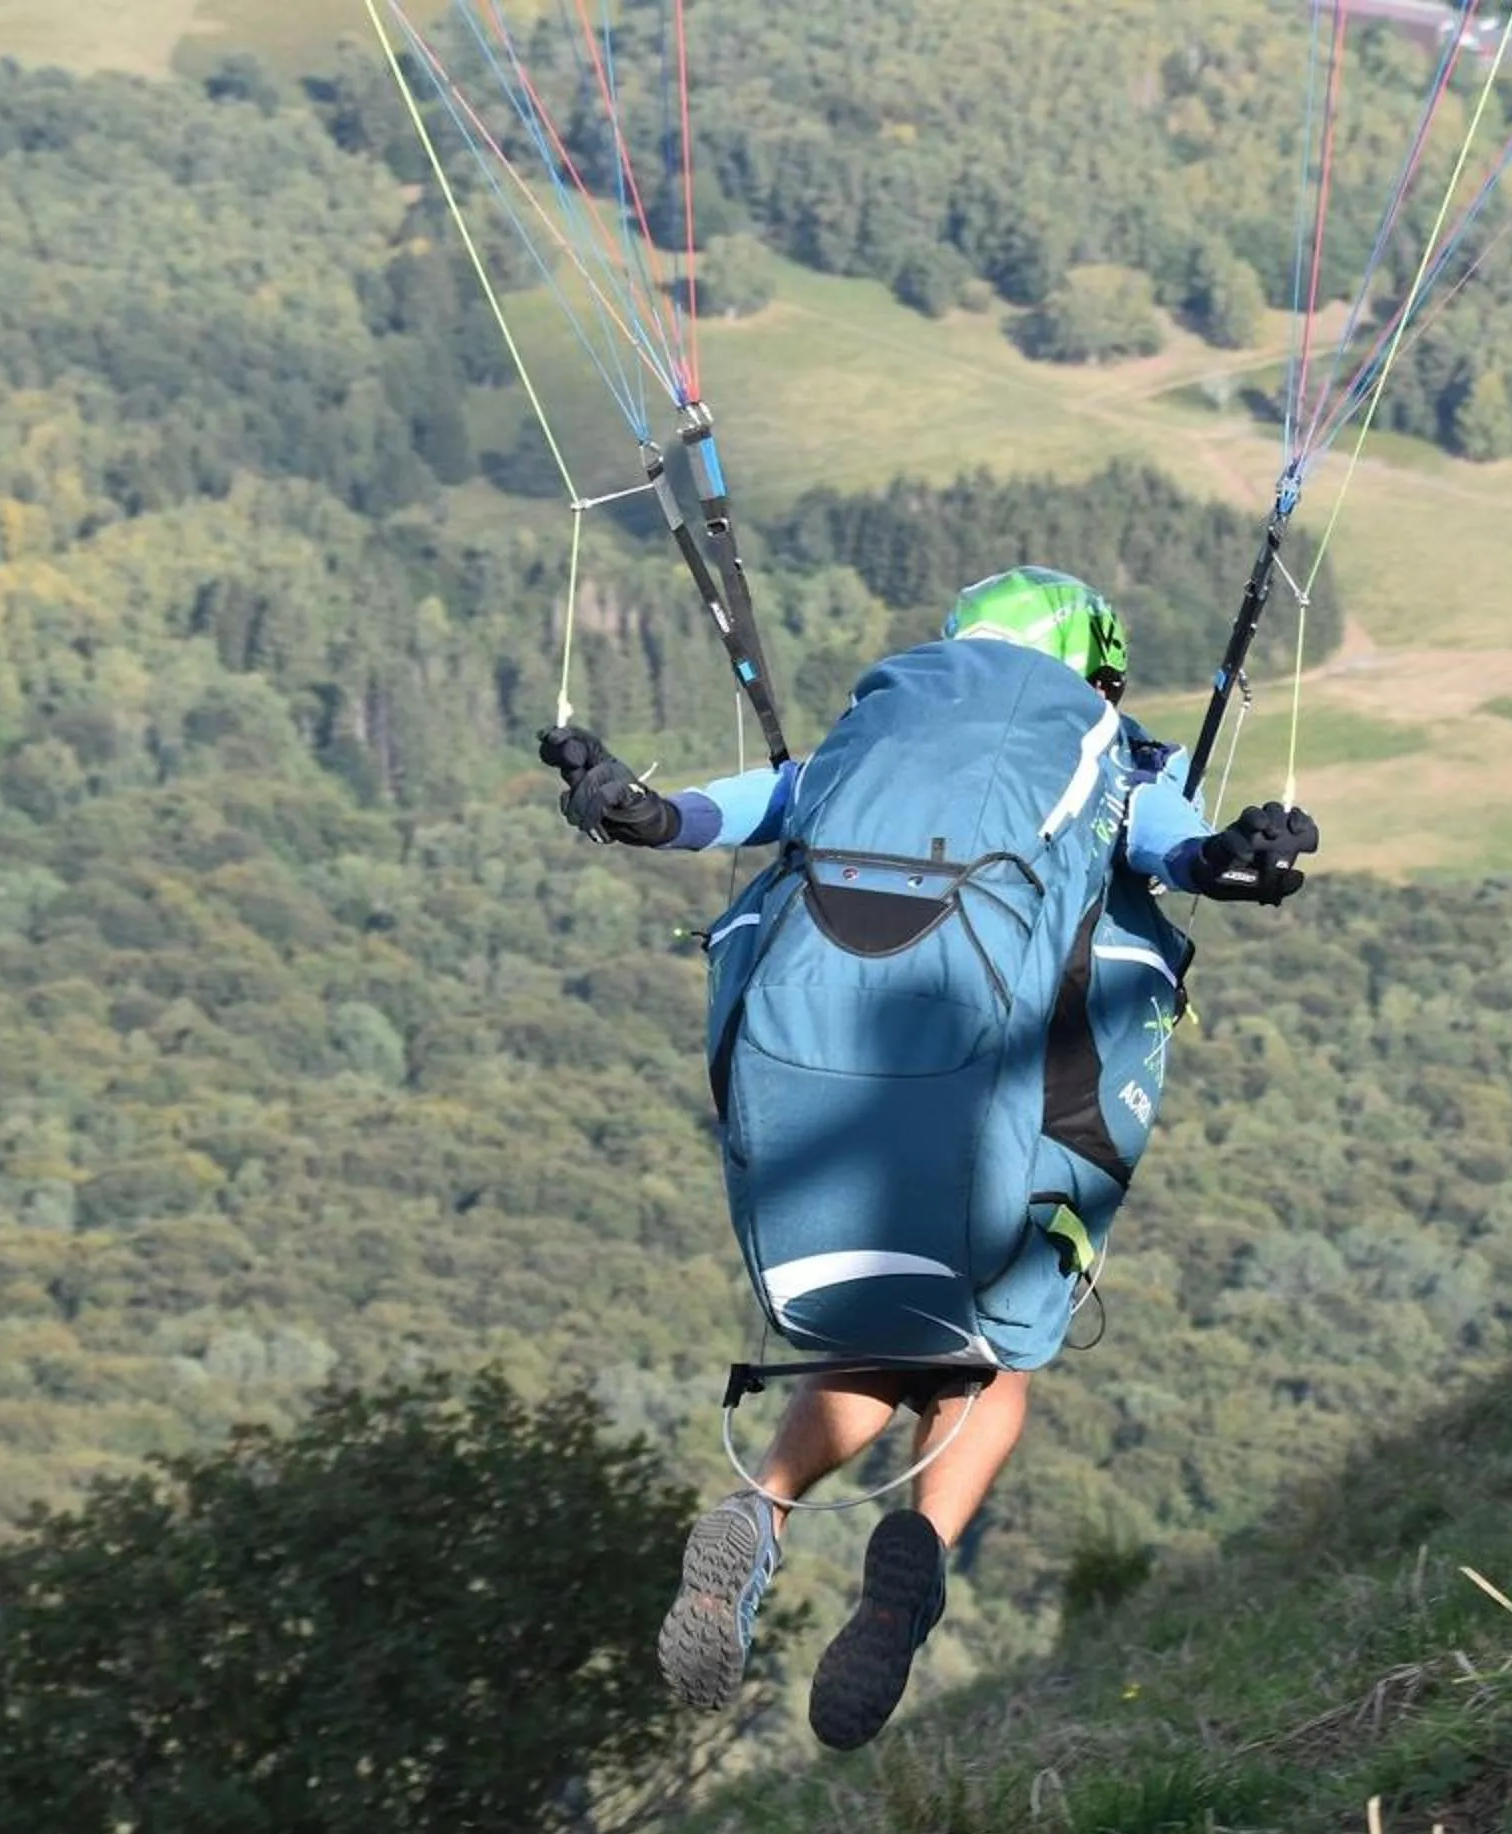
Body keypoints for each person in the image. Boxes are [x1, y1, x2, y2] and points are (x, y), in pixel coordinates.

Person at [539, 566, 1318, 1750]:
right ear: (1094, 666)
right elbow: (1175, 850)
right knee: (987, 1361)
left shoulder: (875, 737)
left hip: (834, 1087)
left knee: (879, 1326)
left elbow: (742, 806)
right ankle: (914, 1555)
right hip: (1016, 1098)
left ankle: (765, 1504)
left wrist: (642, 809)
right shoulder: (1114, 754)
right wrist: (1231, 854)